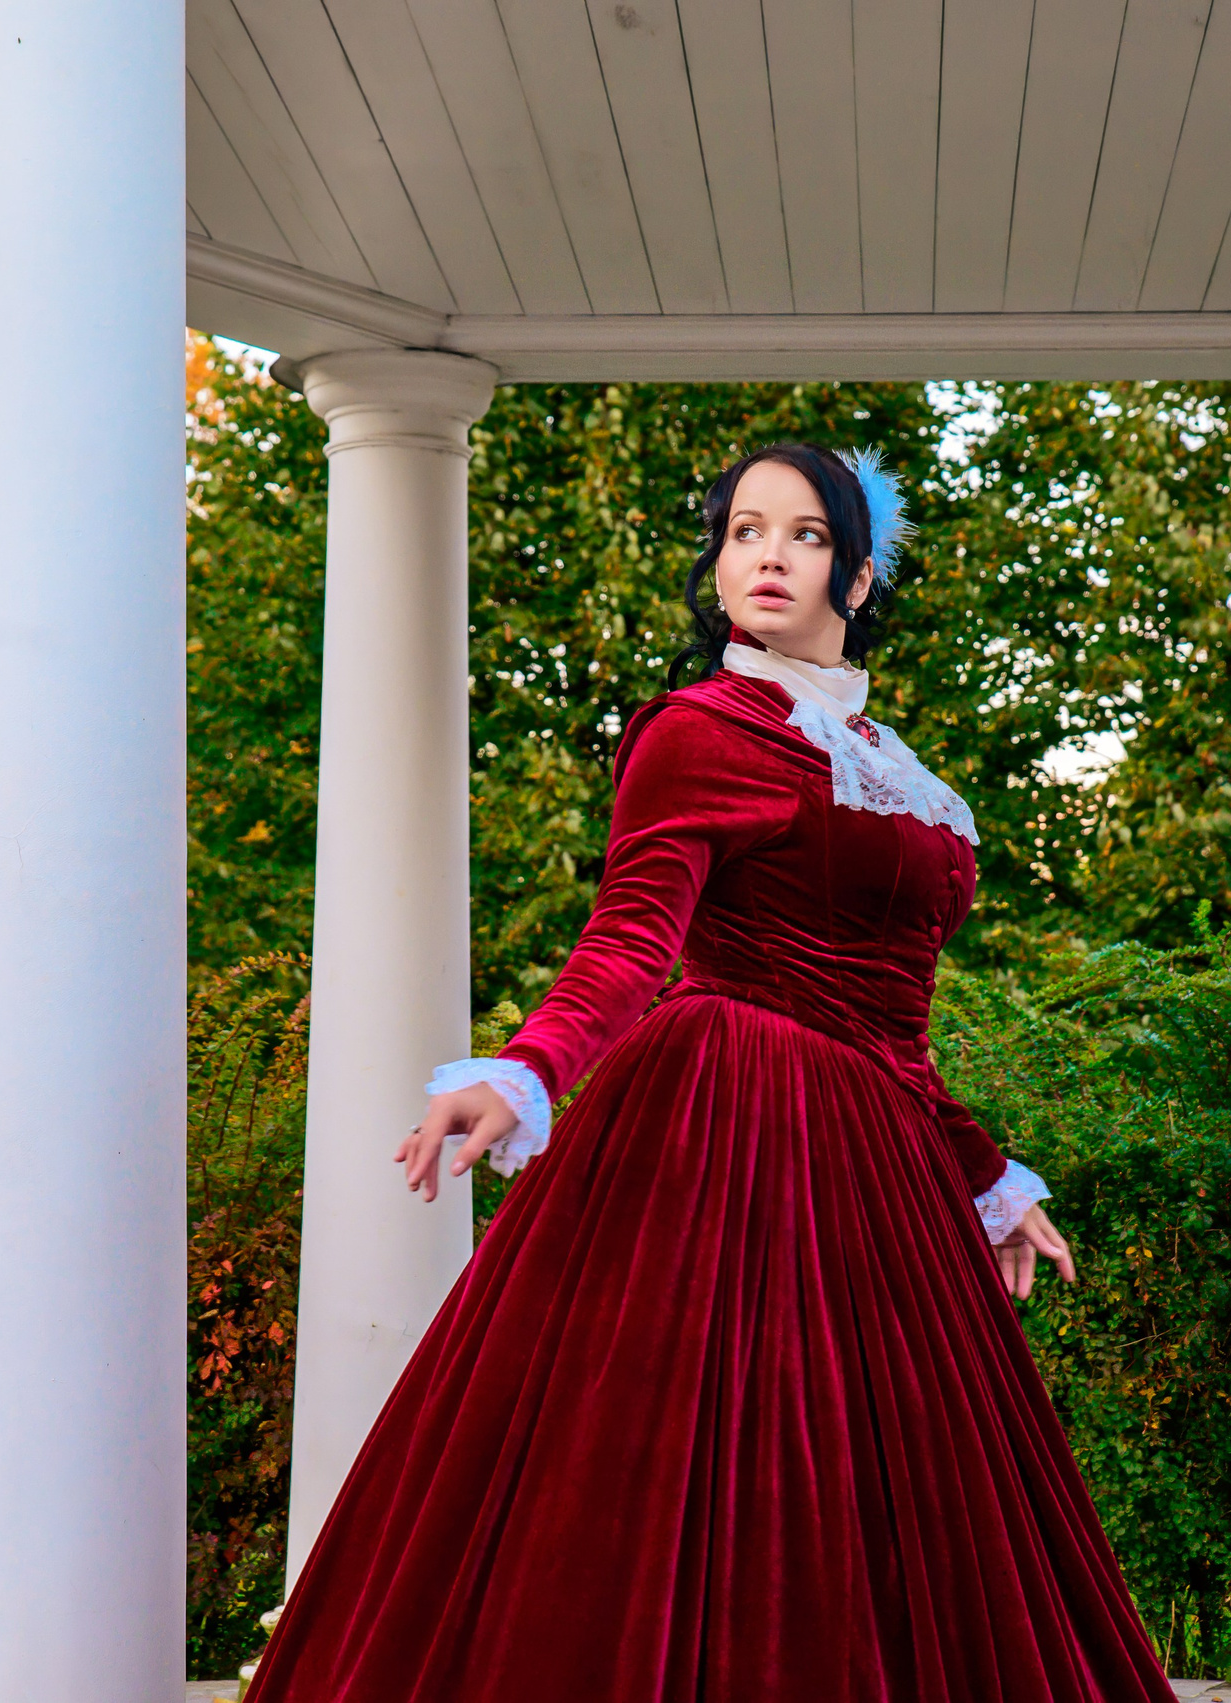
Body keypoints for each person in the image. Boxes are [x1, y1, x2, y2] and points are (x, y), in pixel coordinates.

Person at [242, 444, 1178, 1702]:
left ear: (856, 568)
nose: (767, 556)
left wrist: (987, 1178)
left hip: (869, 1161)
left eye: (801, 533)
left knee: (875, 1503)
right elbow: (632, 938)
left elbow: (892, 1026)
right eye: (744, 531)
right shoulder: (701, 730)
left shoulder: (899, 769)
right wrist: (526, 1070)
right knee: (658, 1478)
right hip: (711, 1132)